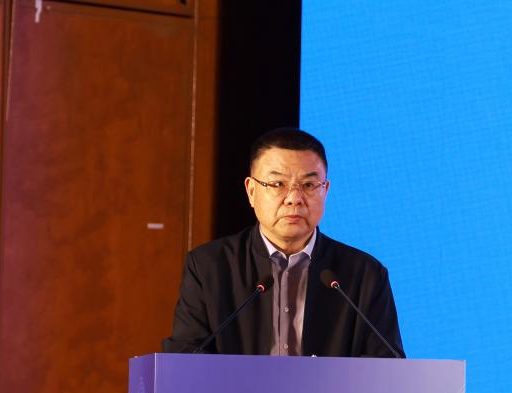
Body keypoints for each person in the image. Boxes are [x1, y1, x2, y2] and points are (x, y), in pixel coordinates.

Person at [162, 128, 404, 358]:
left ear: (325, 190)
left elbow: (387, 364)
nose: (294, 199)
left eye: (308, 185)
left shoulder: (365, 274)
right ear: (251, 191)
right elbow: (185, 356)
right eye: (277, 184)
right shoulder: (208, 267)